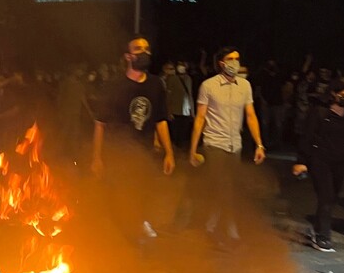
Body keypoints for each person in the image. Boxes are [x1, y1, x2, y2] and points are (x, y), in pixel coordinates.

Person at [91, 37, 176, 238]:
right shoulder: (114, 85)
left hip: (145, 152)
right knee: (121, 197)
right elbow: (100, 123)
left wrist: (169, 153)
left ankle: (137, 229)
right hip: (119, 152)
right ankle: (123, 237)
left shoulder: (156, 84)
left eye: (147, 48)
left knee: (143, 192)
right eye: (138, 49)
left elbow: (161, 120)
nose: (144, 52)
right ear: (128, 56)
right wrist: (96, 157)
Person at [189, 46, 266, 243]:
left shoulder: (244, 86)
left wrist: (259, 144)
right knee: (223, 186)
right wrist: (192, 149)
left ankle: (211, 224)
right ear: (221, 63)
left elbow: (250, 116)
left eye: (237, 58)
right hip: (214, 143)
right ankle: (227, 227)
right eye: (230, 59)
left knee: (229, 186)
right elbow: (200, 118)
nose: (235, 62)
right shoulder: (208, 86)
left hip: (235, 145)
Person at [292, 77, 344, 252]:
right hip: (320, 161)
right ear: (334, 94)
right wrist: (301, 161)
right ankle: (322, 236)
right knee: (326, 197)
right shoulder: (320, 111)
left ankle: (319, 227)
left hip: (341, 162)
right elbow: (307, 136)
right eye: (343, 94)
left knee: (333, 197)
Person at [162, 59, 195, 147]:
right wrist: (169, 112)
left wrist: (192, 112)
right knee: (175, 135)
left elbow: (190, 94)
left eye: (183, 64)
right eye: (180, 64)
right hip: (175, 111)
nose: (182, 67)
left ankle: (181, 152)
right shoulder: (172, 78)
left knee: (184, 135)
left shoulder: (188, 78)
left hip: (186, 111)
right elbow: (168, 96)